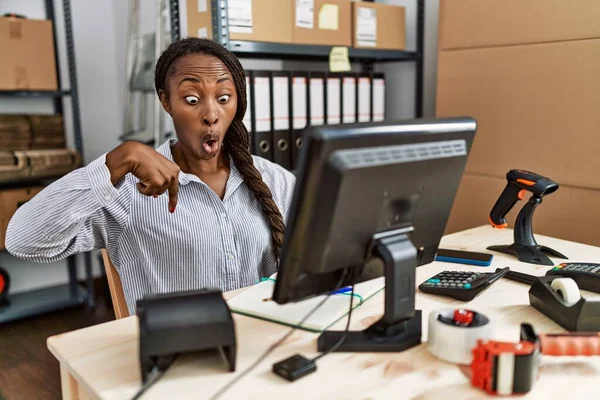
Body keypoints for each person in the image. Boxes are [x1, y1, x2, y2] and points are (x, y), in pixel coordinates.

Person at [5, 38, 296, 314]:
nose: (211, 114)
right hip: (179, 354)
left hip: (264, 345)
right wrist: (116, 162)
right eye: (192, 99)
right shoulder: (128, 191)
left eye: (223, 97)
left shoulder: (274, 179)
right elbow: (23, 240)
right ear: (166, 101)